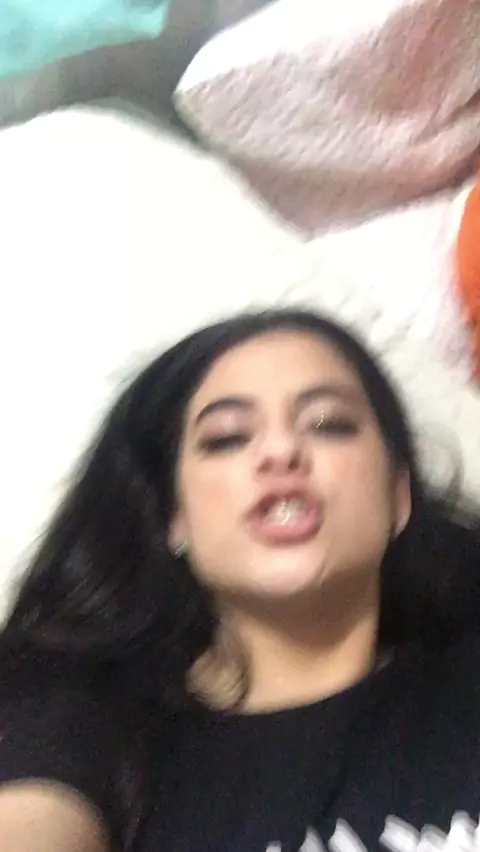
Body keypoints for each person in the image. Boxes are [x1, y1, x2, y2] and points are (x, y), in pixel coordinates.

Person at [0, 308, 479, 852]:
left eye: (329, 424)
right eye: (227, 438)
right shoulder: (82, 720)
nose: (281, 452)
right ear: (174, 518)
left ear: (398, 497)